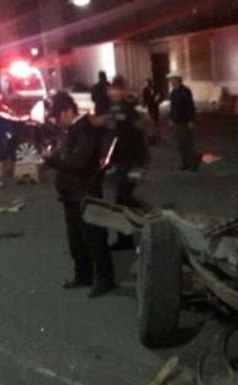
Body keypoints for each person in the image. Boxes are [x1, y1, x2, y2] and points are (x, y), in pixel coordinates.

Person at [43, 91, 117, 298]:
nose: (57, 122)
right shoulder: (72, 131)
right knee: (76, 239)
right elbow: (68, 156)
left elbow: (78, 162)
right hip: (71, 195)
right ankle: (83, 275)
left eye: (58, 116)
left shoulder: (85, 129)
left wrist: (53, 159)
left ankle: (104, 280)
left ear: (67, 111)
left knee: (94, 238)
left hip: (85, 192)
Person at [105, 75, 142, 250]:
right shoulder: (113, 109)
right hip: (119, 160)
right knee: (125, 199)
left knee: (123, 200)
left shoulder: (128, 110)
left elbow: (137, 136)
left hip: (129, 161)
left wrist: (139, 162)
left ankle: (126, 239)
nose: (114, 91)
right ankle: (143, 222)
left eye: (117, 88)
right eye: (112, 88)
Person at [166, 71, 200, 171]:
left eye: (171, 79)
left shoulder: (185, 91)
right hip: (177, 121)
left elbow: (190, 106)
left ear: (177, 79)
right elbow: (172, 107)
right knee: (180, 144)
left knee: (188, 143)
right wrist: (171, 118)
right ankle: (185, 163)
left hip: (185, 121)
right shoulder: (173, 92)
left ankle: (192, 164)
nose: (170, 81)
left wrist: (191, 120)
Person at [142, 78, 163, 144]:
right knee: (151, 122)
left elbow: (160, 95)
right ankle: (153, 137)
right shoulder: (145, 90)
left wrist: (158, 100)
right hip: (150, 107)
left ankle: (157, 136)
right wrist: (145, 104)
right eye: (146, 83)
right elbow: (145, 98)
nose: (146, 84)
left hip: (155, 107)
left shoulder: (155, 88)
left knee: (156, 122)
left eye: (147, 83)